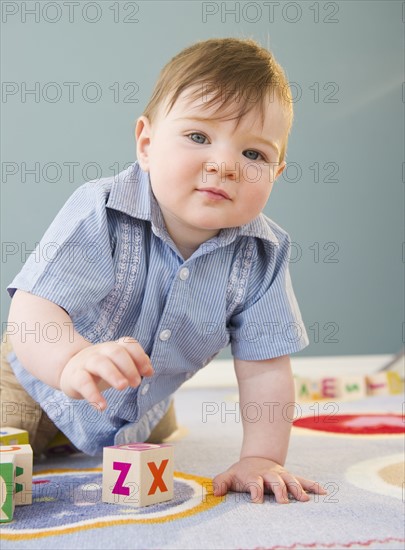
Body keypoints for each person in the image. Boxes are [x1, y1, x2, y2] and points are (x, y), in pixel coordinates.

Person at [2, 37, 326, 504]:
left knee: (154, 429)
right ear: (147, 144)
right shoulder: (103, 210)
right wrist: (71, 360)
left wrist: (262, 456)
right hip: (31, 382)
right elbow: (34, 312)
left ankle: (142, 418)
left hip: (139, 407)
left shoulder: (263, 253)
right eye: (199, 137)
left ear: (275, 174)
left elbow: (265, 366)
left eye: (253, 155)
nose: (224, 165)